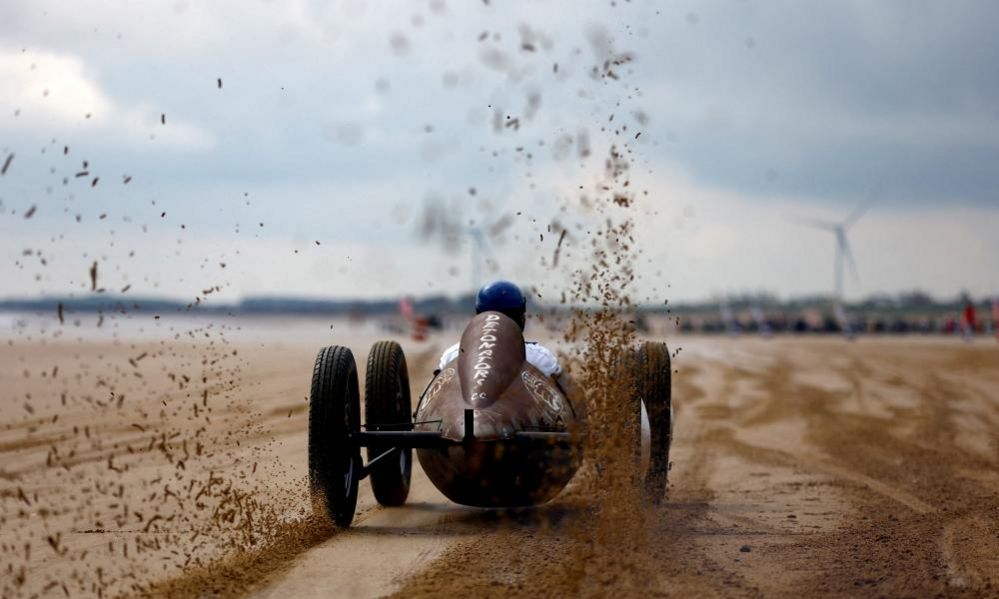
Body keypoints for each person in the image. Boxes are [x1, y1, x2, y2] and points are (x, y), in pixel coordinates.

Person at [438, 280, 562, 377]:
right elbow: (569, 397)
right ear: (521, 317)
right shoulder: (539, 357)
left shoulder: (453, 355)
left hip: (467, 410)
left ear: (478, 315)